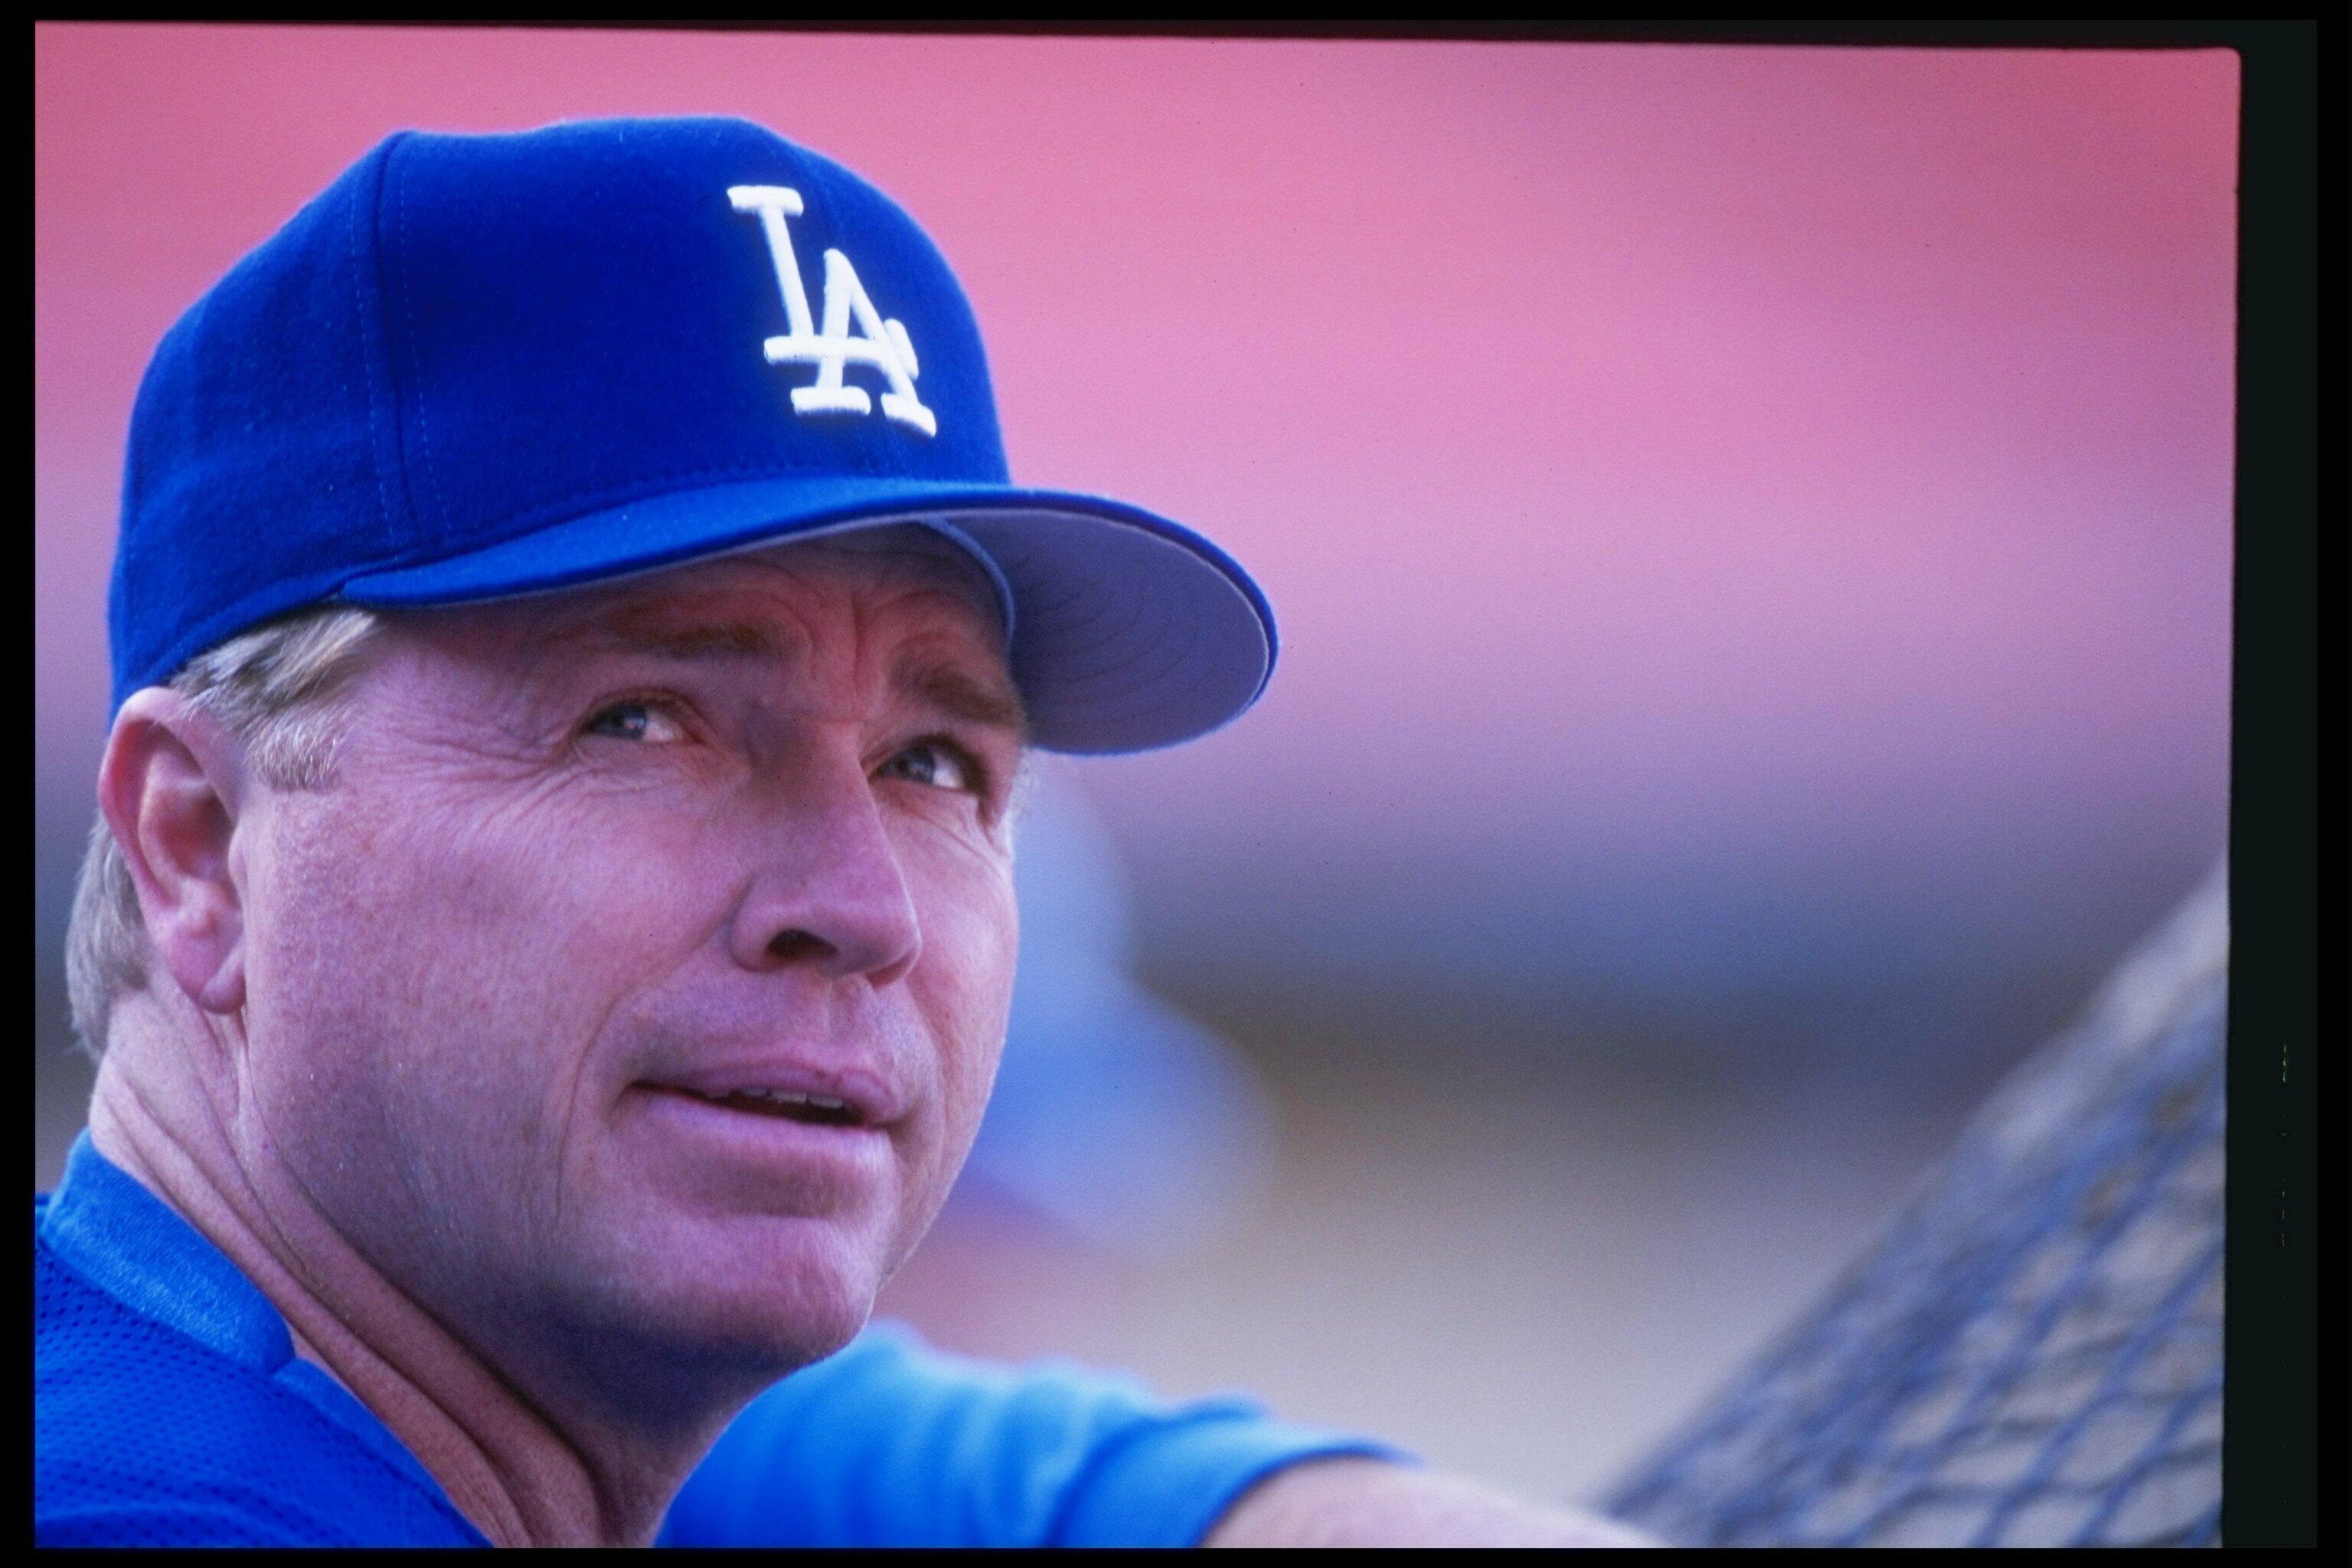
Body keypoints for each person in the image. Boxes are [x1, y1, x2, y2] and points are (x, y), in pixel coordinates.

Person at [34, 116, 1651, 1549]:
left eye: (937, 762)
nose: (863, 904)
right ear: (198, 845)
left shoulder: (483, 1411)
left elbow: (905, 1465)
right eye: (646, 719)